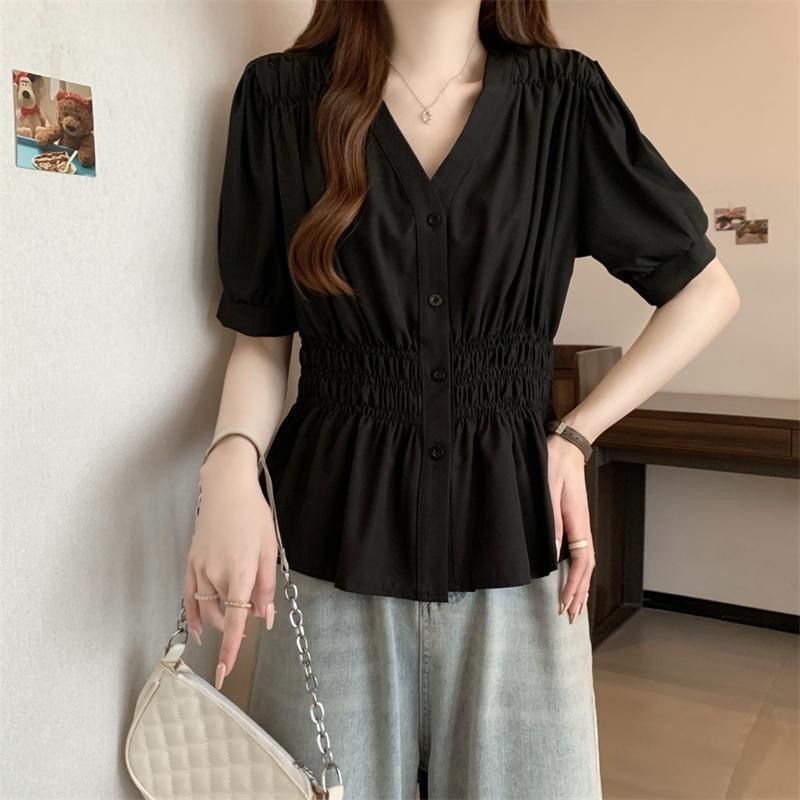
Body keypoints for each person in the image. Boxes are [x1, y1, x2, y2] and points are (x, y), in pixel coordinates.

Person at [185, 1, 740, 798]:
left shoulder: (563, 101)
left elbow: (705, 292)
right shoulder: (280, 100)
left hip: (512, 541)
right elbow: (262, 340)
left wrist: (575, 436)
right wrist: (230, 470)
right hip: (329, 549)